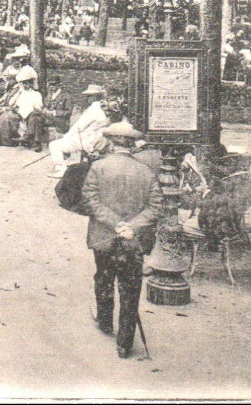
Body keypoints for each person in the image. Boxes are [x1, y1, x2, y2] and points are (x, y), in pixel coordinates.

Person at [81, 121, 163, 359]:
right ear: (132, 144)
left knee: (104, 278)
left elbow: (90, 200)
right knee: (130, 286)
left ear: (110, 142)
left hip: (105, 236)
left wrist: (115, 224)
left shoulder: (98, 167)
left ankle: (105, 321)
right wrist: (131, 226)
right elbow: (156, 206)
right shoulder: (146, 171)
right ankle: (124, 343)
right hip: (133, 239)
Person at [48, 84, 112, 178]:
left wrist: (67, 136)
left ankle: (61, 169)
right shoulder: (102, 109)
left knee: (54, 145)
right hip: (97, 139)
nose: (87, 99)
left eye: (89, 96)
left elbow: (79, 127)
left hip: (87, 140)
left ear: (94, 97)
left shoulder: (93, 109)